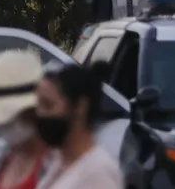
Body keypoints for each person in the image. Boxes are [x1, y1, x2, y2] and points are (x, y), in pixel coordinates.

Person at [0, 49, 51, 189]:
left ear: (31, 111)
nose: (0, 123)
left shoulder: (55, 163)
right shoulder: (9, 155)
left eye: (6, 114)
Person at [35, 61, 122, 189]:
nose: (39, 114)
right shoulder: (57, 161)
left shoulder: (99, 175)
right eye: (38, 105)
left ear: (80, 107)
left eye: (48, 105)